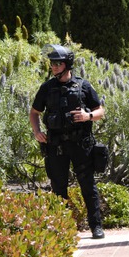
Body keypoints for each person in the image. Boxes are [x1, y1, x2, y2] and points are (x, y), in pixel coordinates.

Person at [29, 44, 106, 239]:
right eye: (52, 63)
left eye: (57, 63)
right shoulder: (47, 88)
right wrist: (37, 131)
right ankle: (62, 228)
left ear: (67, 64)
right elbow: (34, 112)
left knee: (88, 186)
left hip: (81, 145)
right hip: (56, 147)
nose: (54, 67)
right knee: (58, 188)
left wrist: (88, 116)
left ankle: (96, 226)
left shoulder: (83, 86)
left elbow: (100, 111)